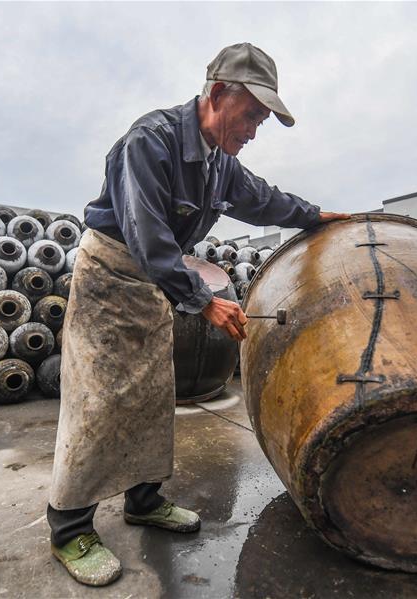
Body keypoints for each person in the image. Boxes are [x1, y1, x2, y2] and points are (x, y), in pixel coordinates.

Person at [47, 42, 350, 587]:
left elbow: (261, 198)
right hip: (112, 275)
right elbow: (147, 235)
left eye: (263, 119)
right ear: (217, 94)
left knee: (150, 394)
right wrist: (205, 299)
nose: (255, 129)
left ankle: (143, 501)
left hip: (153, 285)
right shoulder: (150, 141)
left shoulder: (219, 163)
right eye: (253, 113)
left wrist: (312, 215)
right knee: (99, 398)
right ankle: (69, 528)